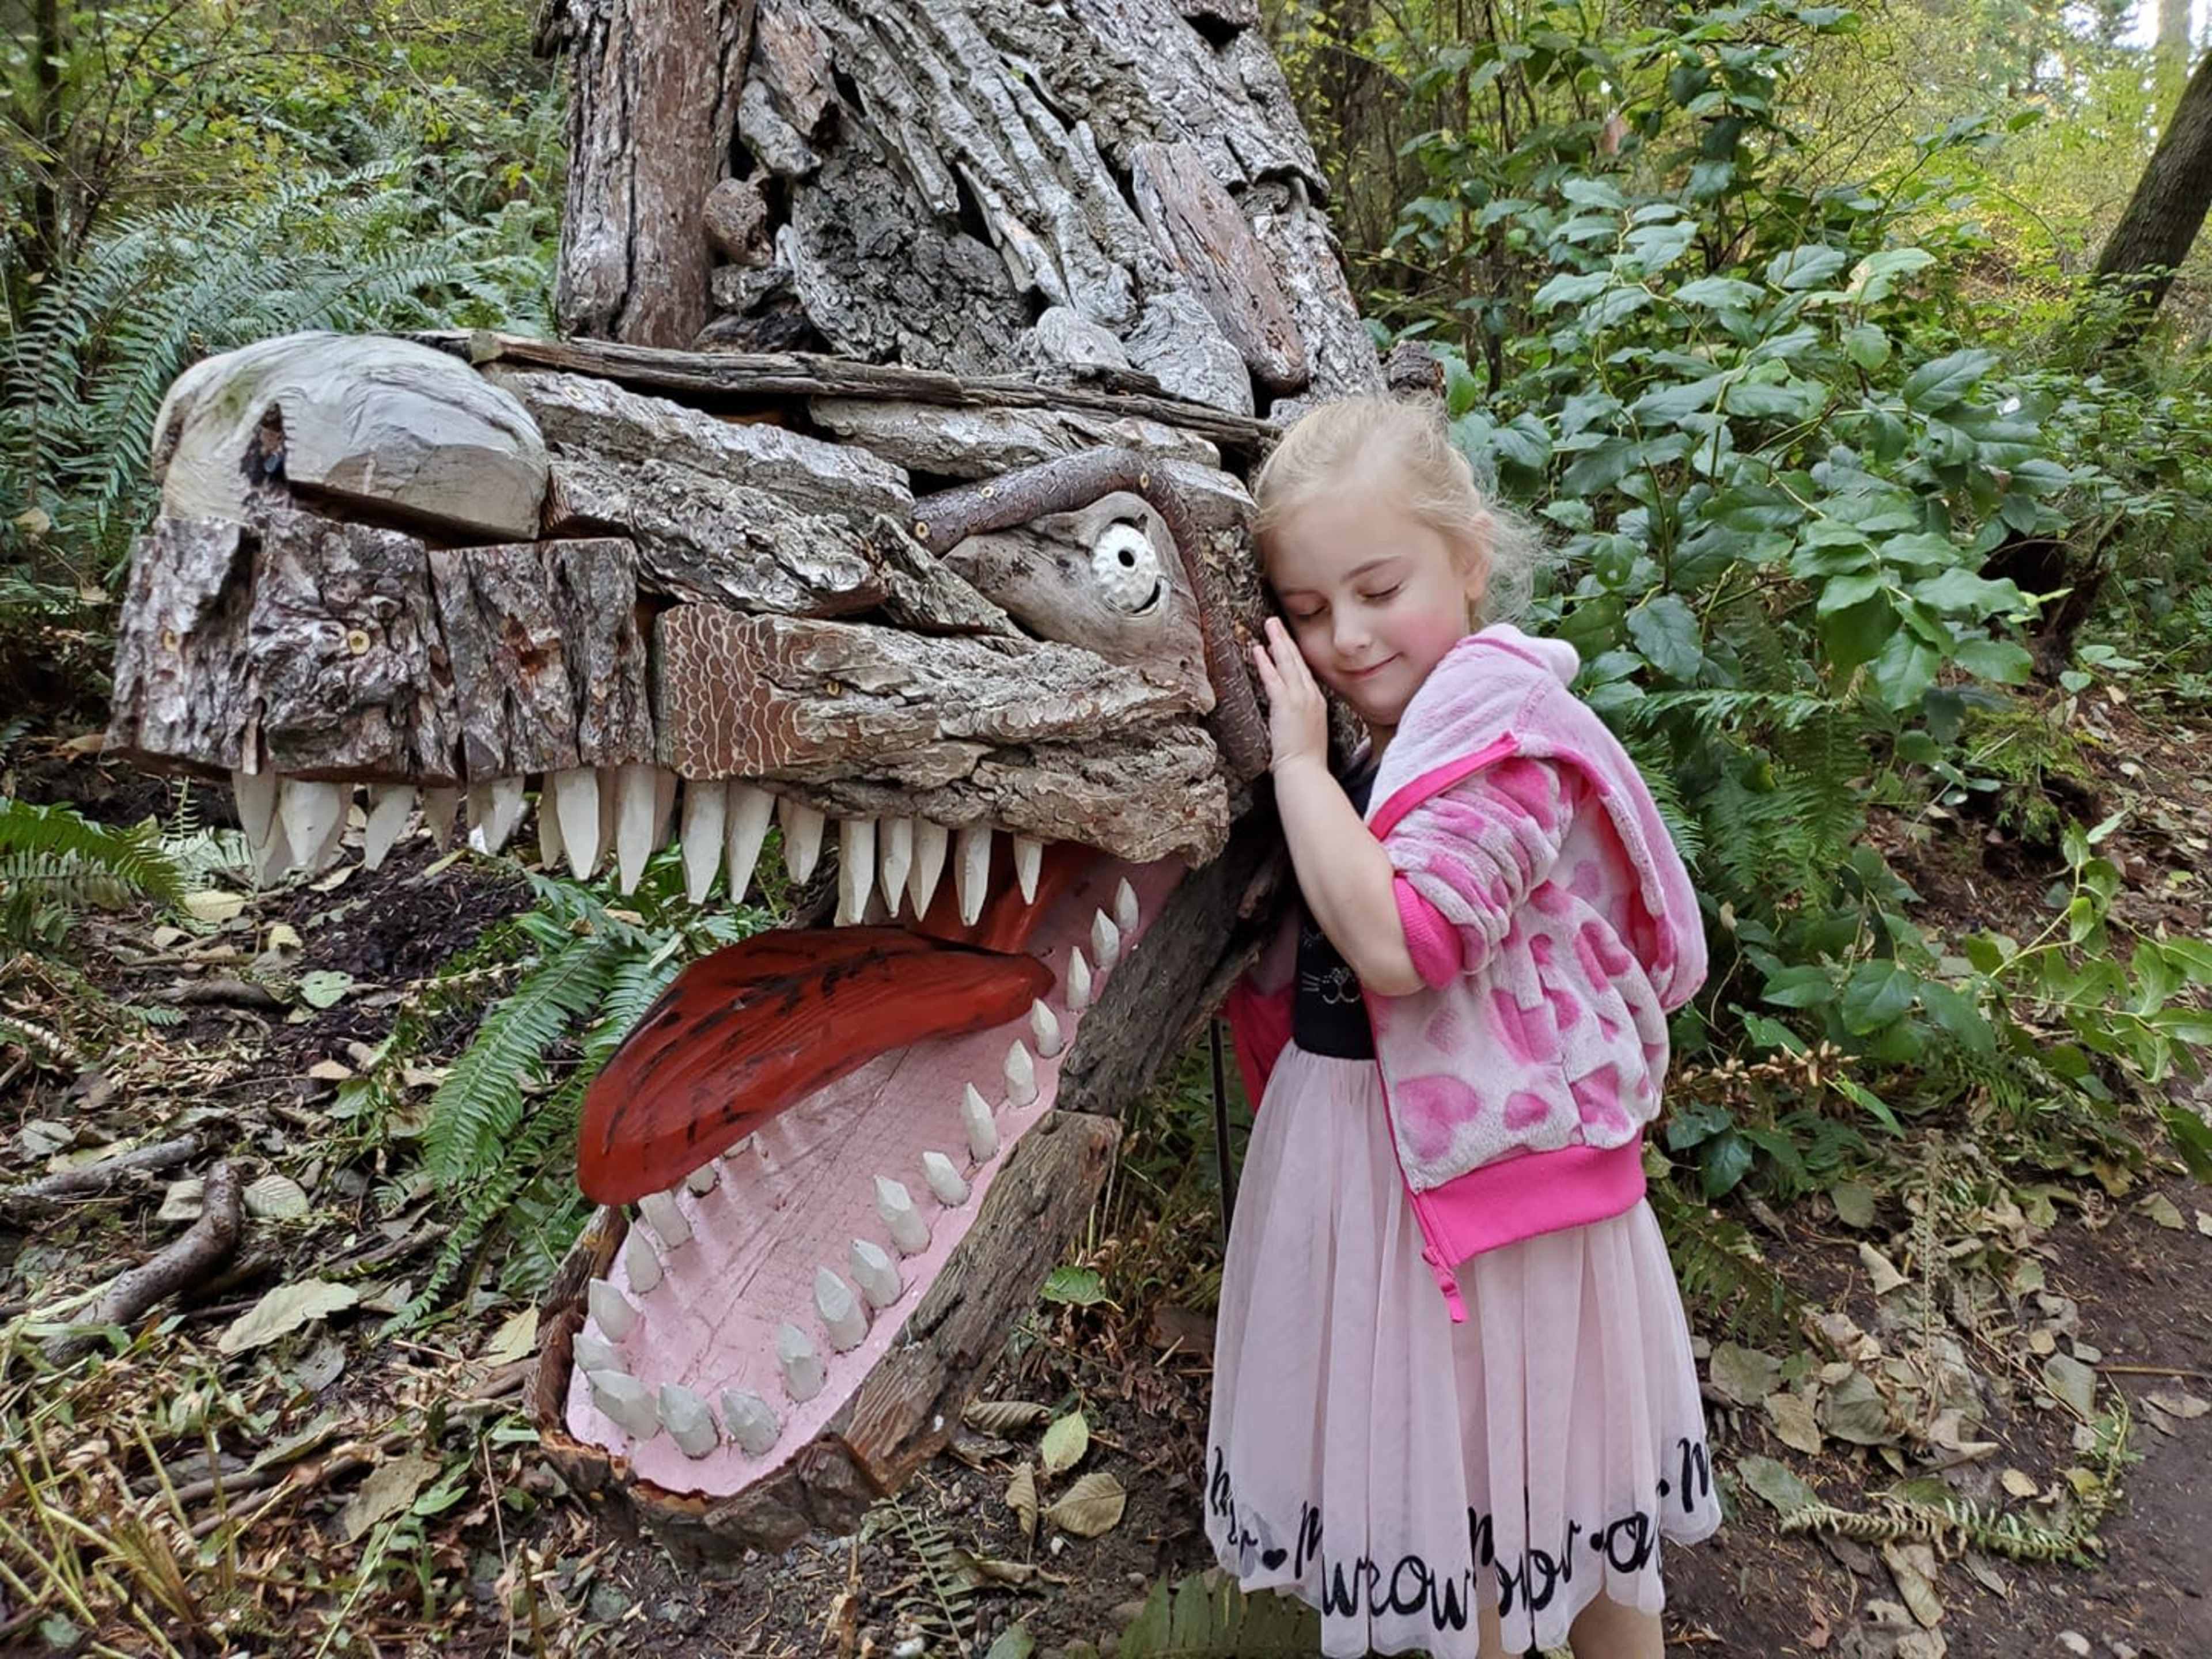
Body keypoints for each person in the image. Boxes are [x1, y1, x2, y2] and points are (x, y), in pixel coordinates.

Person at [1210, 396, 1719, 1659]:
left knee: (1489, 1521)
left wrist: (1294, 767)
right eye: (1312, 612)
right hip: (1406, 1191)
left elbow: (1404, 942)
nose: (1347, 635)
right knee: (1538, 1511)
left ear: (1470, 556)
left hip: (1488, 1211)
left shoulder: (1495, 735)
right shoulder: (1394, 739)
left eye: (1379, 589)